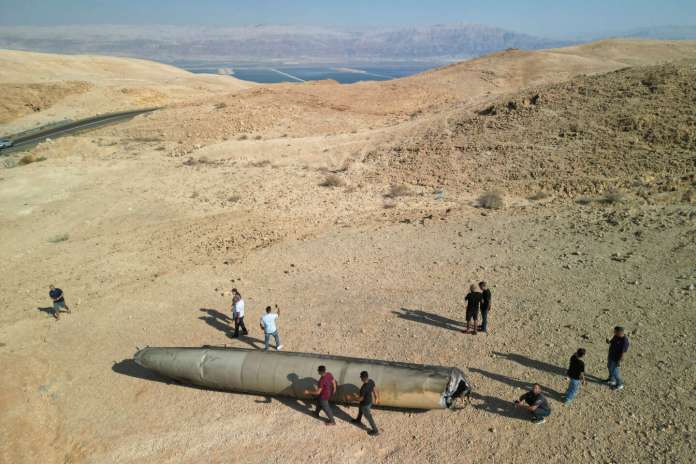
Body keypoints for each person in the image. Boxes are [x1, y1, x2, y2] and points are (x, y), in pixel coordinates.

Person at [348, 371, 380, 436]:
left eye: (361, 377)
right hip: (369, 401)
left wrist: (351, 398)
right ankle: (358, 420)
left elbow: (360, 399)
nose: (360, 378)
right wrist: (376, 397)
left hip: (365, 404)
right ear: (367, 376)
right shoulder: (371, 381)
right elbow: (374, 389)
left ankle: (375, 430)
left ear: (362, 378)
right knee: (360, 409)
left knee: (369, 417)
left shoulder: (364, 388)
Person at [606, 326, 629, 391]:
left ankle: (620, 384)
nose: (614, 332)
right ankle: (612, 380)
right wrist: (608, 341)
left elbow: (623, 352)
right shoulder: (616, 336)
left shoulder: (624, 341)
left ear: (620, 332)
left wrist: (619, 361)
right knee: (609, 366)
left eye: (615, 332)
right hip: (611, 355)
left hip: (616, 359)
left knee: (615, 371)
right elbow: (611, 342)